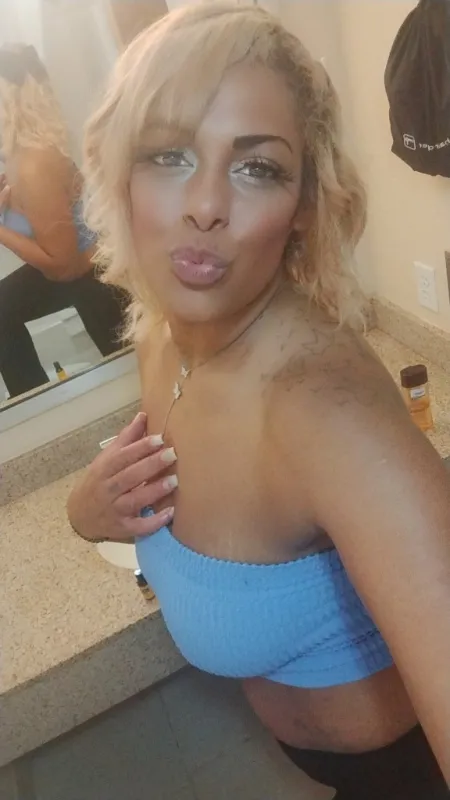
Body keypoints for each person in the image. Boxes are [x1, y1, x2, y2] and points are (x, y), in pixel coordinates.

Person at [67, 4, 450, 797]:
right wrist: (86, 510)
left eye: (258, 168)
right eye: (169, 153)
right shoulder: (159, 338)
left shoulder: (328, 414)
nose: (206, 203)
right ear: (120, 172)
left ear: (305, 204)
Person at [0, 43, 126, 400]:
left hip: (94, 276)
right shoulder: (22, 157)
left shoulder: (33, 164)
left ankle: (40, 405)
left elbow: (63, 268)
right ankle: (35, 402)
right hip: (84, 265)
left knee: (129, 371)